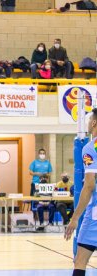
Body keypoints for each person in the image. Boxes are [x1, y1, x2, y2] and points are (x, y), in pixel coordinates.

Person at [65, 108, 97, 276]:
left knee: (80, 261)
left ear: (94, 123)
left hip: (94, 217)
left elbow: (89, 185)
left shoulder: (91, 148)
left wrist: (74, 218)